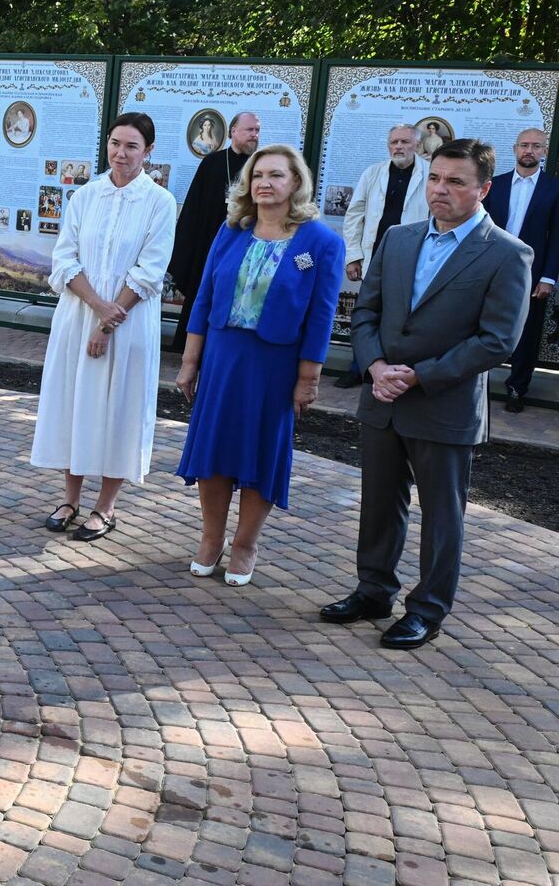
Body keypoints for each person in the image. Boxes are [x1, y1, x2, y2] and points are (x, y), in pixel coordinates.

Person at [322, 139, 531, 649]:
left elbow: (497, 340)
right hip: (384, 397)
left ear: (483, 189)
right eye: (435, 178)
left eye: (455, 182)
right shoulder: (398, 238)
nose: (441, 190)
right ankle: (373, 591)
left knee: (441, 515)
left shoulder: (507, 254)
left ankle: (428, 609)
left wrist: (419, 375)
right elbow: (366, 311)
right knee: (378, 504)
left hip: (443, 403)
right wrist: (374, 365)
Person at [175, 145, 345, 586]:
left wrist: (309, 379)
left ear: (296, 183)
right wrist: (190, 361)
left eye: (275, 175)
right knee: (213, 450)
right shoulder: (232, 230)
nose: (264, 183)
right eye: (257, 175)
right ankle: (211, 539)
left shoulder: (321, 243)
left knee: (259, 452)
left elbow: (321, 316)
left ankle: (246, 543)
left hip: (276, 364)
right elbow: (204, 299)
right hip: (223, 358)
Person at [33, 113, 176, 543]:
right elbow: (64, 259)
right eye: (116, 143)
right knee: (72, 402)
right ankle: (70, 497)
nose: (121, 153)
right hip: (79, 315)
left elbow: (150, 271)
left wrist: (110, 322)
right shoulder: (86, 195)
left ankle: (105, 506)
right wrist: (96, 307)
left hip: (129, 323)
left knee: (119, 407)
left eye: (132, 146)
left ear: (148, 152)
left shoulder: (159, 202)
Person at [336, 124, 429, 386]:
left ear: (417, 145)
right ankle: (360, 368)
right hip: (374, 255)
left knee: (403, 318)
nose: (398, 147)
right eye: (394, 142)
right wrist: (353, 255)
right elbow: (355, 214)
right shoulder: (373, 173)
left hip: (412, 258)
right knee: (367, 314)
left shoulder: (430, 174)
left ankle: (397, 369)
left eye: (405, 142)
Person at [166, 111, 259, 353]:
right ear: (233, 132)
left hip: (245, 246)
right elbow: (193, 208)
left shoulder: (259, 166)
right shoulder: (212, 163)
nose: (255, 135)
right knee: (202, 293)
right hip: (209, 245)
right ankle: (190, 347)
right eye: (250, 130)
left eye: (257, 131)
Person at [481, 128, 559, 413]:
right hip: (491, 267)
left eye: (536, 146)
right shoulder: (495, 185)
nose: (530, 150)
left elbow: (557, 237)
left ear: (544, 152)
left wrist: (548, 277)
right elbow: (479, 228)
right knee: (482, 323)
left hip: (533, 272)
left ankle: (517, 387)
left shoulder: (554, 188)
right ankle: (476, 382)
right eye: (524, 145)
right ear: (515, 149)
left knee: (527, 331)